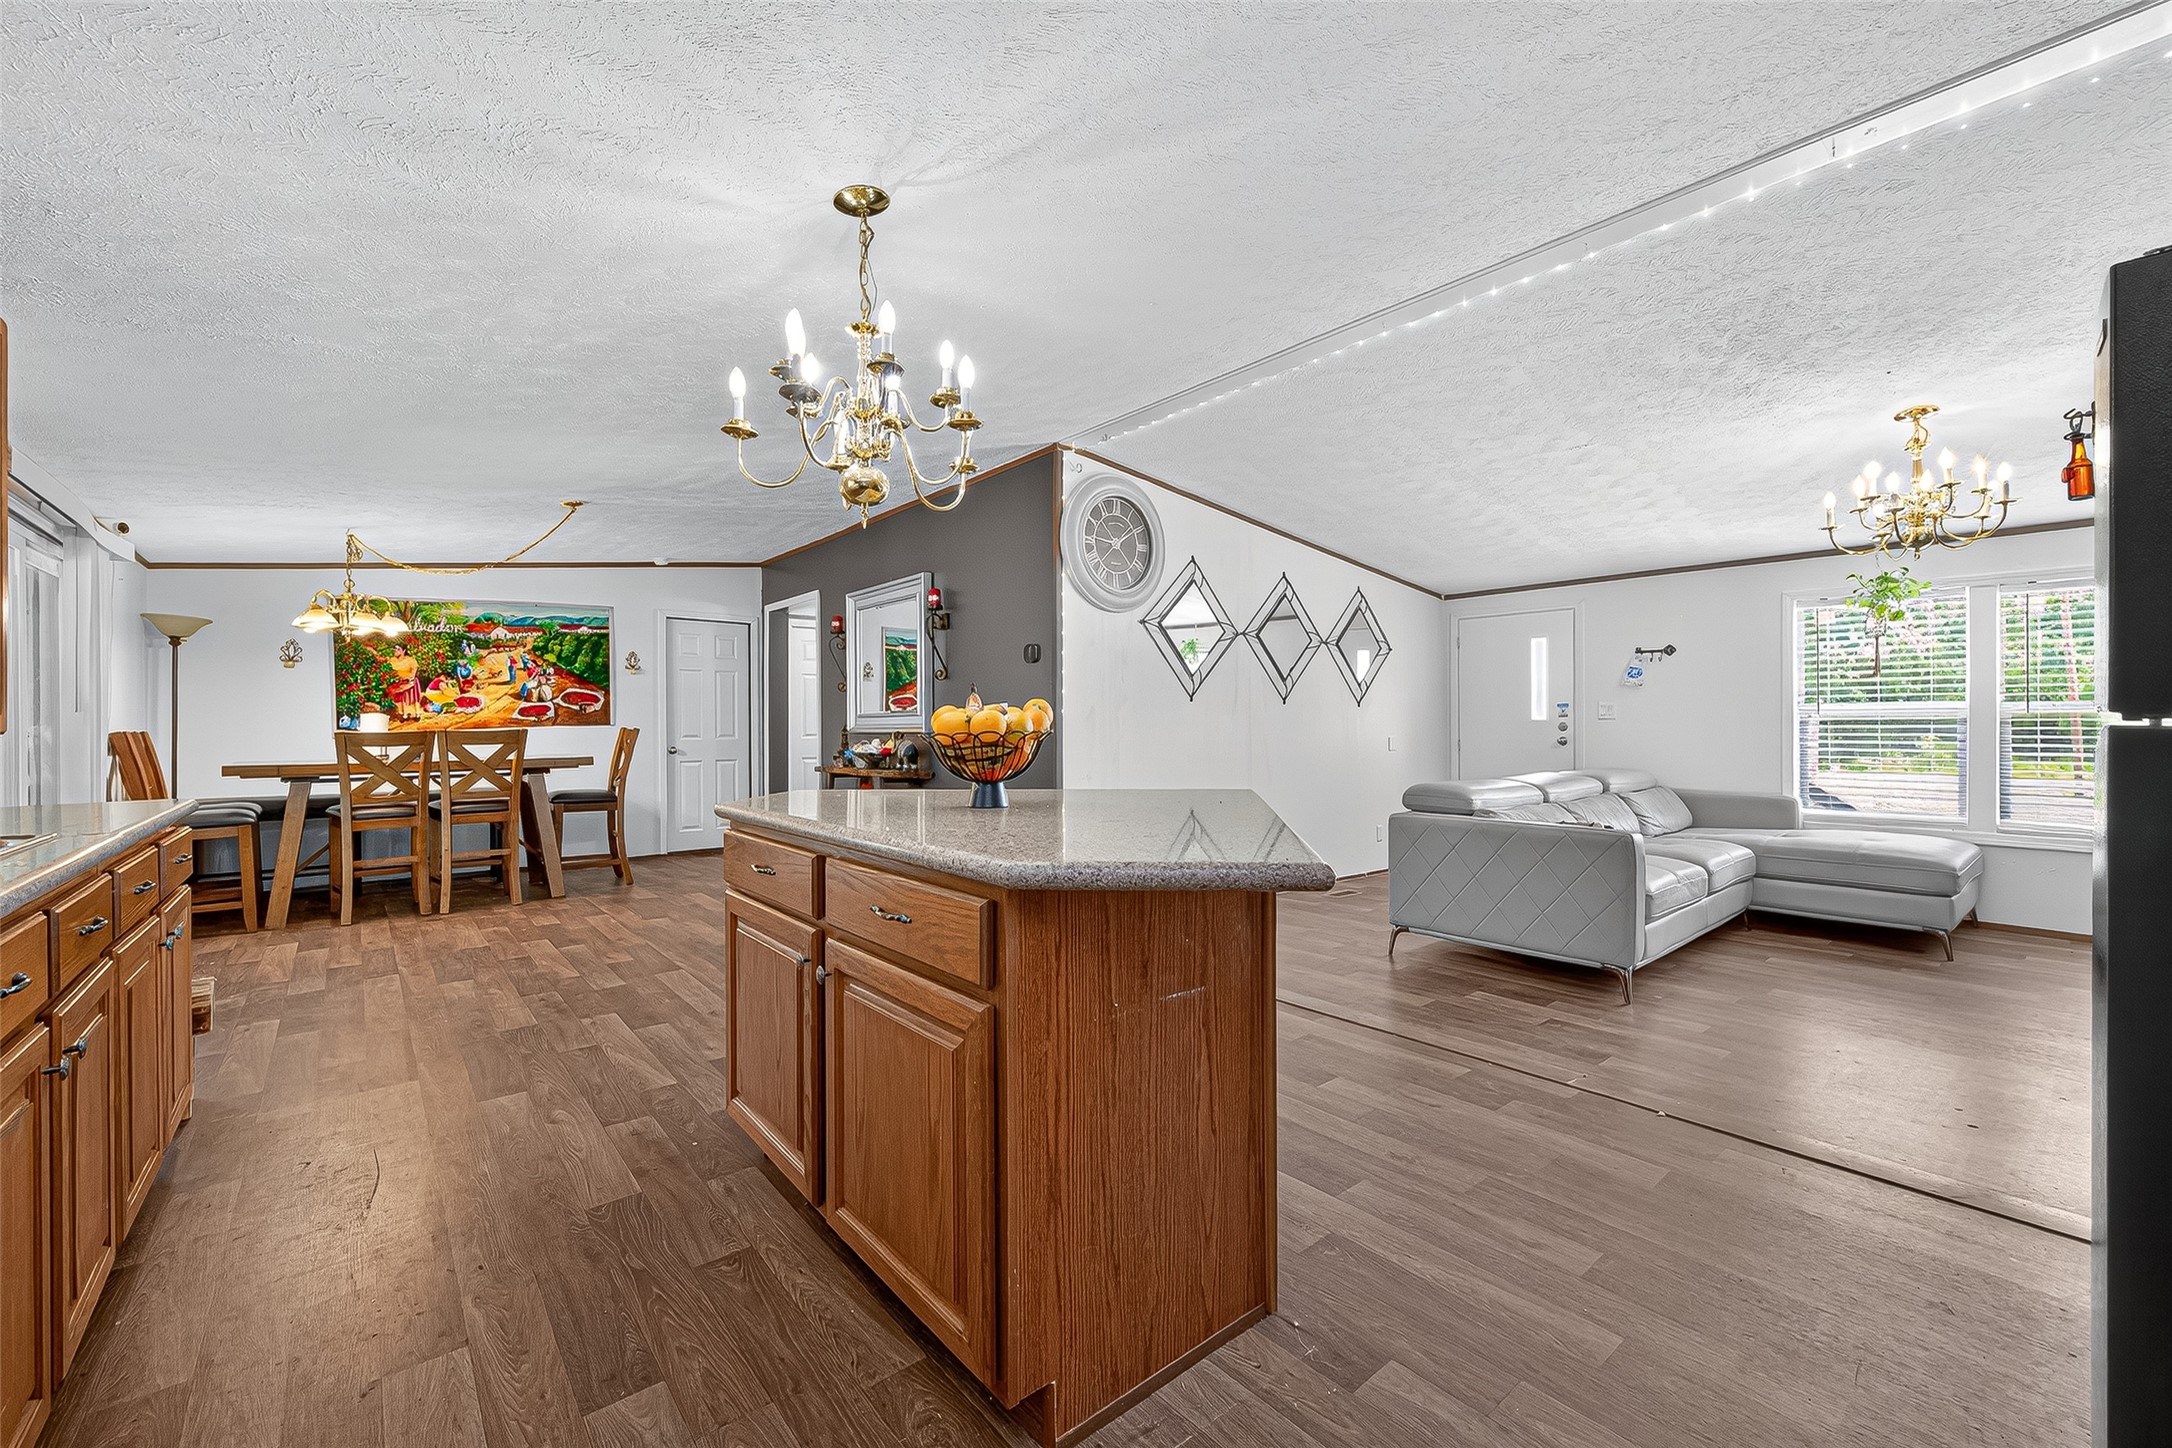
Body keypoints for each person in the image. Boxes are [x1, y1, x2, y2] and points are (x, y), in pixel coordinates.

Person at [385, 642, 424, 721]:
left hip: (410, 681)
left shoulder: (410, 660)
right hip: (399, 681)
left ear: (404, 650)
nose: (396, 651)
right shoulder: (392, 660)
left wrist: (409, 680)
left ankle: (416, 714)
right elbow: (390, 671)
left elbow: (413, 672)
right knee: (400, 697)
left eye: (398, 649)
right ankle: (403, 714)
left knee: (412, 698)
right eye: (395, 649)